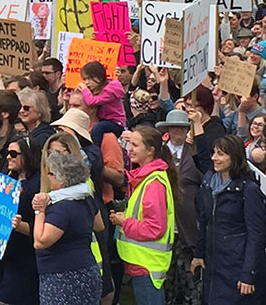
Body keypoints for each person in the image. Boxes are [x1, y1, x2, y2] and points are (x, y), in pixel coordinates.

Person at [191, 135, 266, 304]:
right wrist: (199, 254)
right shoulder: (208, 182)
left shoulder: (249, 190)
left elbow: (257, 235)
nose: (214, 158)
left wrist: (248, 275)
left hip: (236, 268)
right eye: (214, 153)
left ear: (234, 157)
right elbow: (204, 221)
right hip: (214, 265)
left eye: (221, 154)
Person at [110, 126, 178, 305]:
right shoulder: (147, 178)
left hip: (147, 265)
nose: (129, 149)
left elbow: (155, 228)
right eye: (129, 143)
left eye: (135, 145)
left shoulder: (153, 183)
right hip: (143, 264)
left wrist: (124, 222)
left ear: (150, 150)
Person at [33, 151, 103, 305]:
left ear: (62, 179)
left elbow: (40, 241)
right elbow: (99, 225)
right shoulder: (87, 199)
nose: (48, 177)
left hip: (63, 276)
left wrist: (40, 210)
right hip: (87, 269)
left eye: (50, 173)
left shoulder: (62, 208)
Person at [155, 110, 203, 305]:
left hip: (187, 225)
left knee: (189, 281)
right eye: (174, 127)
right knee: (166, 280)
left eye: (182, 128)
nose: (178, 131)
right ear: (167, 129)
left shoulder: (196, 153)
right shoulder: (159, 153)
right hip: (163, 225)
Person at [0, 136, 41, 305]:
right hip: (7, 254)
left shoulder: (38, 184)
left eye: (14, 153)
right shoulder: (9, 178)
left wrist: (20, 226)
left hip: (27, 258)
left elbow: (41, 228)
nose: (8, 157)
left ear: (28, 155)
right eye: (8, 153)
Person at [77, 61, 125, 144]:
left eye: (89, 78)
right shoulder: (96, 89)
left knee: (98, 128)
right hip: (102, 120)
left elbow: (92, 101)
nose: (86, 82)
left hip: (115, 123)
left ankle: (95, 150)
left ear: (99, 77)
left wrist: (84, 90)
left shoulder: (110, 89)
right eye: (84, 79)